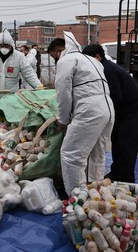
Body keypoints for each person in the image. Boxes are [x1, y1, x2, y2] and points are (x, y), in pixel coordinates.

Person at [48, 33, 115, 196]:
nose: (55, 60)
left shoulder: (66, 61)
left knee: (71, 155)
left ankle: (76, 197)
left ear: (58, 51)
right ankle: (96, 192)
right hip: (107, 109)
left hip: (89, 110)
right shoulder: (92, 60)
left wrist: (63, 119)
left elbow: (63, 93)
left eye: (53, 56)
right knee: (97, 153)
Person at [82, 44, 138, 183]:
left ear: (97, 57)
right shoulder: (102, 68)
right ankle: (116, 173)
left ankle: (127, 180)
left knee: (126, 145)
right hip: (123, 110)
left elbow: (115, 97)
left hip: (134, 110)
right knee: (117, 141)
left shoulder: (107, 70)